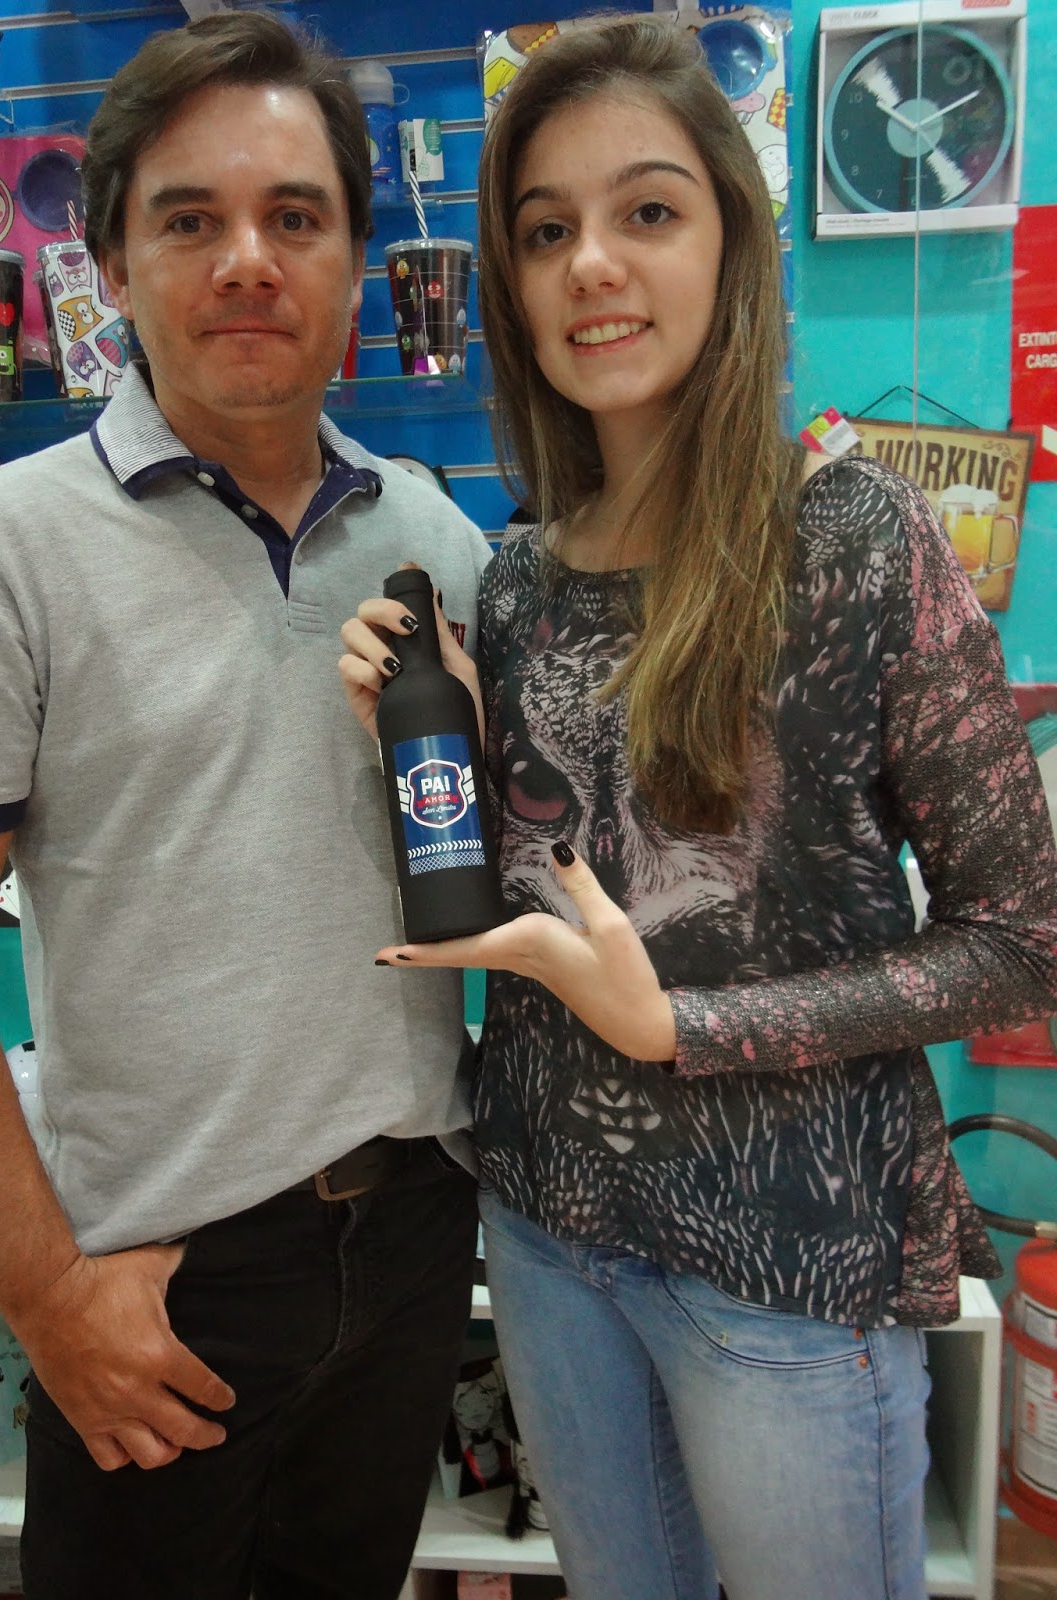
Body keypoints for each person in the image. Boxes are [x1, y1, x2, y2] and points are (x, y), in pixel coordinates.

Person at [339, 18, 1057, 1600]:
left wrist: (687, 1030)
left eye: (648, 211)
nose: (593, 264)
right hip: (548, 1232)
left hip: (788, 1265)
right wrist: (443, 730)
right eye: (546, 232)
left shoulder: (855, 540)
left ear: (732, 242)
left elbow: (1024, 941)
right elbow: (552, 906)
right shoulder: (515, 580)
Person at [0, 14, 492, 1599]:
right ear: (113, 267)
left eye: (295, 216)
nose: (247, 262)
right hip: (162, 1280)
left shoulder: (437, 540)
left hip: (416, 1235)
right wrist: (44, 1296)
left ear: (355, 260)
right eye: (191, 219)